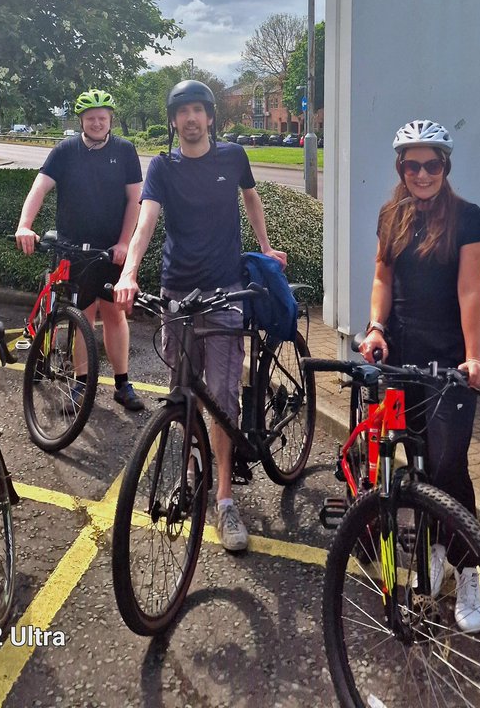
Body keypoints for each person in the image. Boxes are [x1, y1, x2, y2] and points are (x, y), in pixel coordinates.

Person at [113, 79, 286, 553]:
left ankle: (225, 499)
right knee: (182, 394)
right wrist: (130, 273)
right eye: (181, 111)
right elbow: (146, 220)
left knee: (223, 399)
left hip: (225, 290)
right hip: (176, 292)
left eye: (198, 110)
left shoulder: (231, 157)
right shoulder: (163, 167)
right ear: (173, 121)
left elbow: (251, 198)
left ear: (210, 117)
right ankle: (192, 475)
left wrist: (266, 248)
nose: (190, 118)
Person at [359, 119, 480, 633]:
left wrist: (474, 356)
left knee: (449, 465)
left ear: (445, 167)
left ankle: (468, 569)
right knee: (407, 461)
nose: (421, 174)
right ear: (401, 168)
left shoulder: (469, 218)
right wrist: (374, 328)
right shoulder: (391, 214)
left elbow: (470, 292)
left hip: (449, 360)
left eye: (431, 164)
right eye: (412, 165)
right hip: (398, 355)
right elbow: (381, 276)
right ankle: (434, 548)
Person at [15, 88, 145, 410]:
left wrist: (125, 243)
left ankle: (122, 383)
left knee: (114, 314)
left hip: (110, 250)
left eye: (102, 118)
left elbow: (135, 200)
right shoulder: (65, 150)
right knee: (81, 317)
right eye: (91, 118)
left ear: (110, 119)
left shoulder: (125, 151)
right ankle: (81, 383)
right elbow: (40, 187)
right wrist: (24, 224)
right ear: (82, 120)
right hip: (72, 249)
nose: (97, 123)